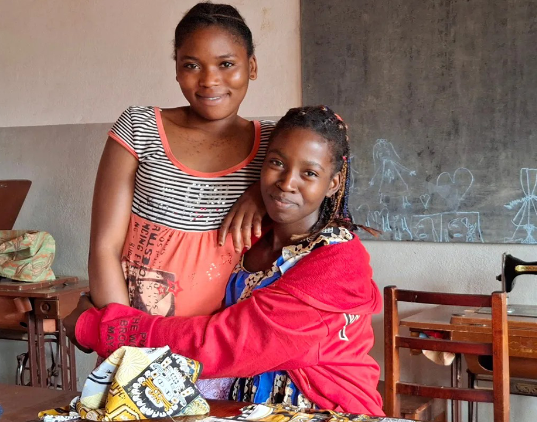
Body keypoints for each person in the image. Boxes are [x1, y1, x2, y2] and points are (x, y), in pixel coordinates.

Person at [66, 106, 385, 416]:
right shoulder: (253, 235)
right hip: (242, 409)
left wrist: (100, 326)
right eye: (277, 163)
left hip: (325, 410)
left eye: (309, 173)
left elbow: (225, 343)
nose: (287, 183)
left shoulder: (337, 263)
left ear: (332, 183)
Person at [89, 2, 270, 321]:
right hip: (140, 337)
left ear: (252, 66)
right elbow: (105, 247)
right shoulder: (139, 127)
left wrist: (261, 189)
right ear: (176, 69)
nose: (210, 80)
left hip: (226, 343)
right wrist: (125, 338)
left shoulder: (274, 146)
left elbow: (333, 136)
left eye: (226, 63)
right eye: (192, 65)